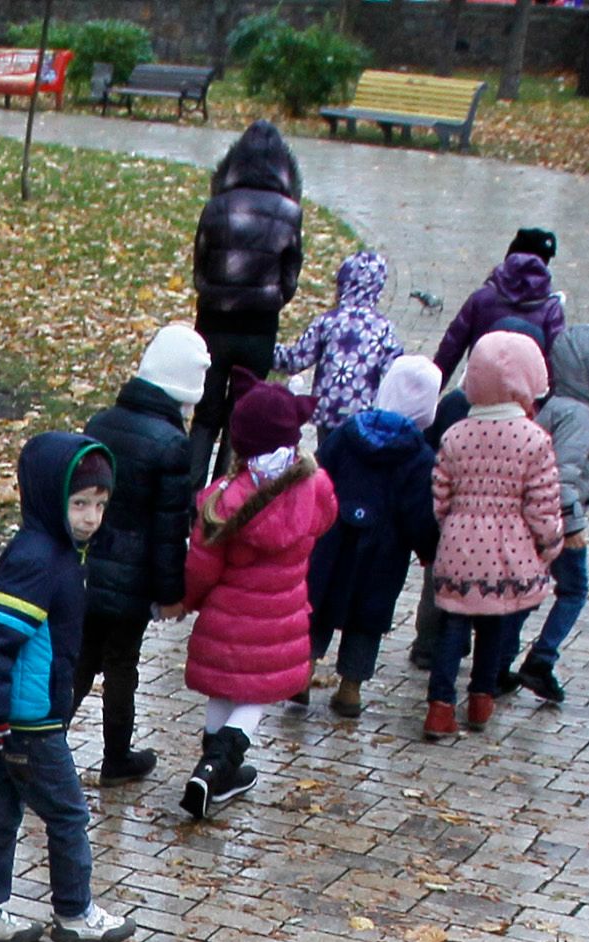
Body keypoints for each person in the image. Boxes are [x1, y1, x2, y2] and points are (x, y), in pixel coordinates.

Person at [0, 433, 131, 942]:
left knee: (3, 811)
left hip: (24, 715)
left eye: (100, 505)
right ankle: (74, 912)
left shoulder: (57, 551)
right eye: (79, 504)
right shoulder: (38, 559)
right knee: (68, 814)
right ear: (49, 498)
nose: (90, 517)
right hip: (27, 720)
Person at [174, 381, 338, 817]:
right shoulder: (314, 488)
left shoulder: (222, 502)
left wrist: (185, 601)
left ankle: (213, 767)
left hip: (227, 619)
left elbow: (202, 568)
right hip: (279, 619)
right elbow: (325, 518)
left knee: (225, 690)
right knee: (254, 697)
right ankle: (217, 769)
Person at [75, 326, 207, 789]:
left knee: (81, 658)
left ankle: (40, 745)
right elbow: (169, 531)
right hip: (132, 580)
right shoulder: (172, 444)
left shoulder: (99, 422)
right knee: (121, 667)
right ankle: (116, 756)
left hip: (90, 565)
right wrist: (172, 593)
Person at [424, 330, 563, 741]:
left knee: (452, 625)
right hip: (509, 551)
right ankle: (481, 700)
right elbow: (541, 504)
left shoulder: (456, 435)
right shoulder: (534, 440)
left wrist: (452, 525)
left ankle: (439, 706)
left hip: (458, 543)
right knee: (496, 625)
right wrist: (550, 543)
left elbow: (440, 495)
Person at [302, 356, 441, 721]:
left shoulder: (348, 434)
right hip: (384, 551)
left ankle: (303, 669)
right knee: (368, 617)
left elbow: (319, 475)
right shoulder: (420, 457)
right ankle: (350, 688)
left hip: (333, 537)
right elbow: (418, 513)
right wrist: (427, 547)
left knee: (318, 601)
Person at [187, 119, 306, 486]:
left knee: (205, 415)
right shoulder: (289, 213)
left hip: (213, 323)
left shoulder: (216, 206)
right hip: (259, 327)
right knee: (241, 416)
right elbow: (290, 275)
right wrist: (271, 300)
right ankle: (222, 494)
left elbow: (200, 267)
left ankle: (189, 493)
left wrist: (215, 295)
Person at [522, 322, 589, 708]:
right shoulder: (578, 415)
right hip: (559, 518)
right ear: (578, 368)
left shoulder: (559, 405)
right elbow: (563, 474)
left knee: (528, 588)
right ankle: (542, 657)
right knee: (573, 590)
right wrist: (572, 522)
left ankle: (500, 659)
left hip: (540, 514)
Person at [276, 252, 405, 451]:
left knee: (327, 462)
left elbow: (296, 360)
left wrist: (267, 349)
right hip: (363, 414)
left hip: (328, 408)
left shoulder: (328, 321)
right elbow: (394, 373)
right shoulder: (383, 328)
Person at [434, 228, 565, 377]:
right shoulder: (551, 309)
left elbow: (452, 346)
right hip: (529, 394)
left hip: (481, 387)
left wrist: (434, 386)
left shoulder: (481, 298)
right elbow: (557, 359)